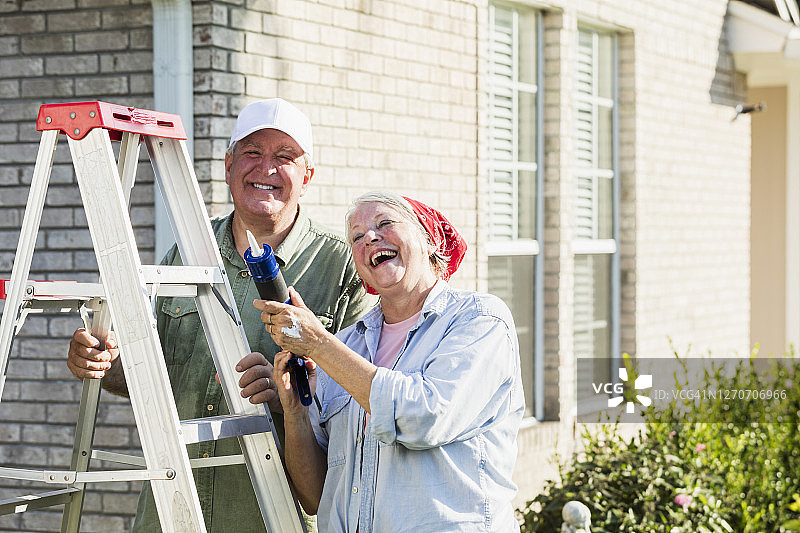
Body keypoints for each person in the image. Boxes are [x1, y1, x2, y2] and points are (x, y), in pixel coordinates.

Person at [65, 98, 375, 533]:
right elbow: (156, 371)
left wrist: (291, 394)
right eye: (252, 153)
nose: (266, 168)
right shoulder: (188, 250)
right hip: (171, 507)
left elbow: (361, 404)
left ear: (306, 178)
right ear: (229, 166)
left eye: (284, 157)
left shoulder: (342, 267)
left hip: (268, 516)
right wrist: (103, 363)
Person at [249, 191, 525, 532]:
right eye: (357, 237)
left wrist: (319, 344)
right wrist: (295, 413)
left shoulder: (479, 321)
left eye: (385, 223)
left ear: (428, 239)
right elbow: (316, 496)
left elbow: (423, 417)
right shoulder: (349, 345)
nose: (370, 238)